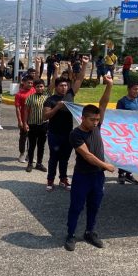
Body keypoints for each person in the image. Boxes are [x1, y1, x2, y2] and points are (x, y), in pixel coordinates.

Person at [64, 75, 116, 252]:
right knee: (76, 207)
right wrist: (106, 165)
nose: (96, 123)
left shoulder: (97, 126)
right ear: (83, 118)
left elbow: (103, 103)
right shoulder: (75, 134)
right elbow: (87, 155)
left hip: (97, 177)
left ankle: (89, 232)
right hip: (82, 176)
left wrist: (109, 85)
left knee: (94, 205)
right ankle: (70, 235)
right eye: (92, 120)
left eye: (97, 120)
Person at [43, 56, 88, 191]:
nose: (64, 87)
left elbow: (79, 79)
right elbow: (46, 116)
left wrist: (84, 64)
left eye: (66, 85)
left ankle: (63, 179)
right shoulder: (50, 100)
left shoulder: (70, 95)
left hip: (68, 134)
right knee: (54, 158)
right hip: (54, 134)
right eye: (61, 86)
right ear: (56, 87)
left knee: (65, 158)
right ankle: (50, 180)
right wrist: (57, 107)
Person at [24, 77, 55, 173]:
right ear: (34, 87)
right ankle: (30, 163)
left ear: (44, 87)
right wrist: (25, 123)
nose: (40, 88)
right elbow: (26, 111)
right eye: (37, 86)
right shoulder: (30, 97)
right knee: (31, 145)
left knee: (41, 146)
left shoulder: (47, 96)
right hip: (32, 125)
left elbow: (53, 82)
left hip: (44, 125)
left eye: (41, 86)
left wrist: (56, 70)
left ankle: (39, 164)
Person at [14, 76, 35, 163]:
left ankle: (29, 155)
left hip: (34, 119)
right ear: (24, 83)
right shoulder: (19, 94)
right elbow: (17, 108)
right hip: (24, 119)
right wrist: (20, 121)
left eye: (31, 83)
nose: (30, 84)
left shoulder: (34, 90)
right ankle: (22, 154)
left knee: (32, 138)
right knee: (23, 137)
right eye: (28, 83)